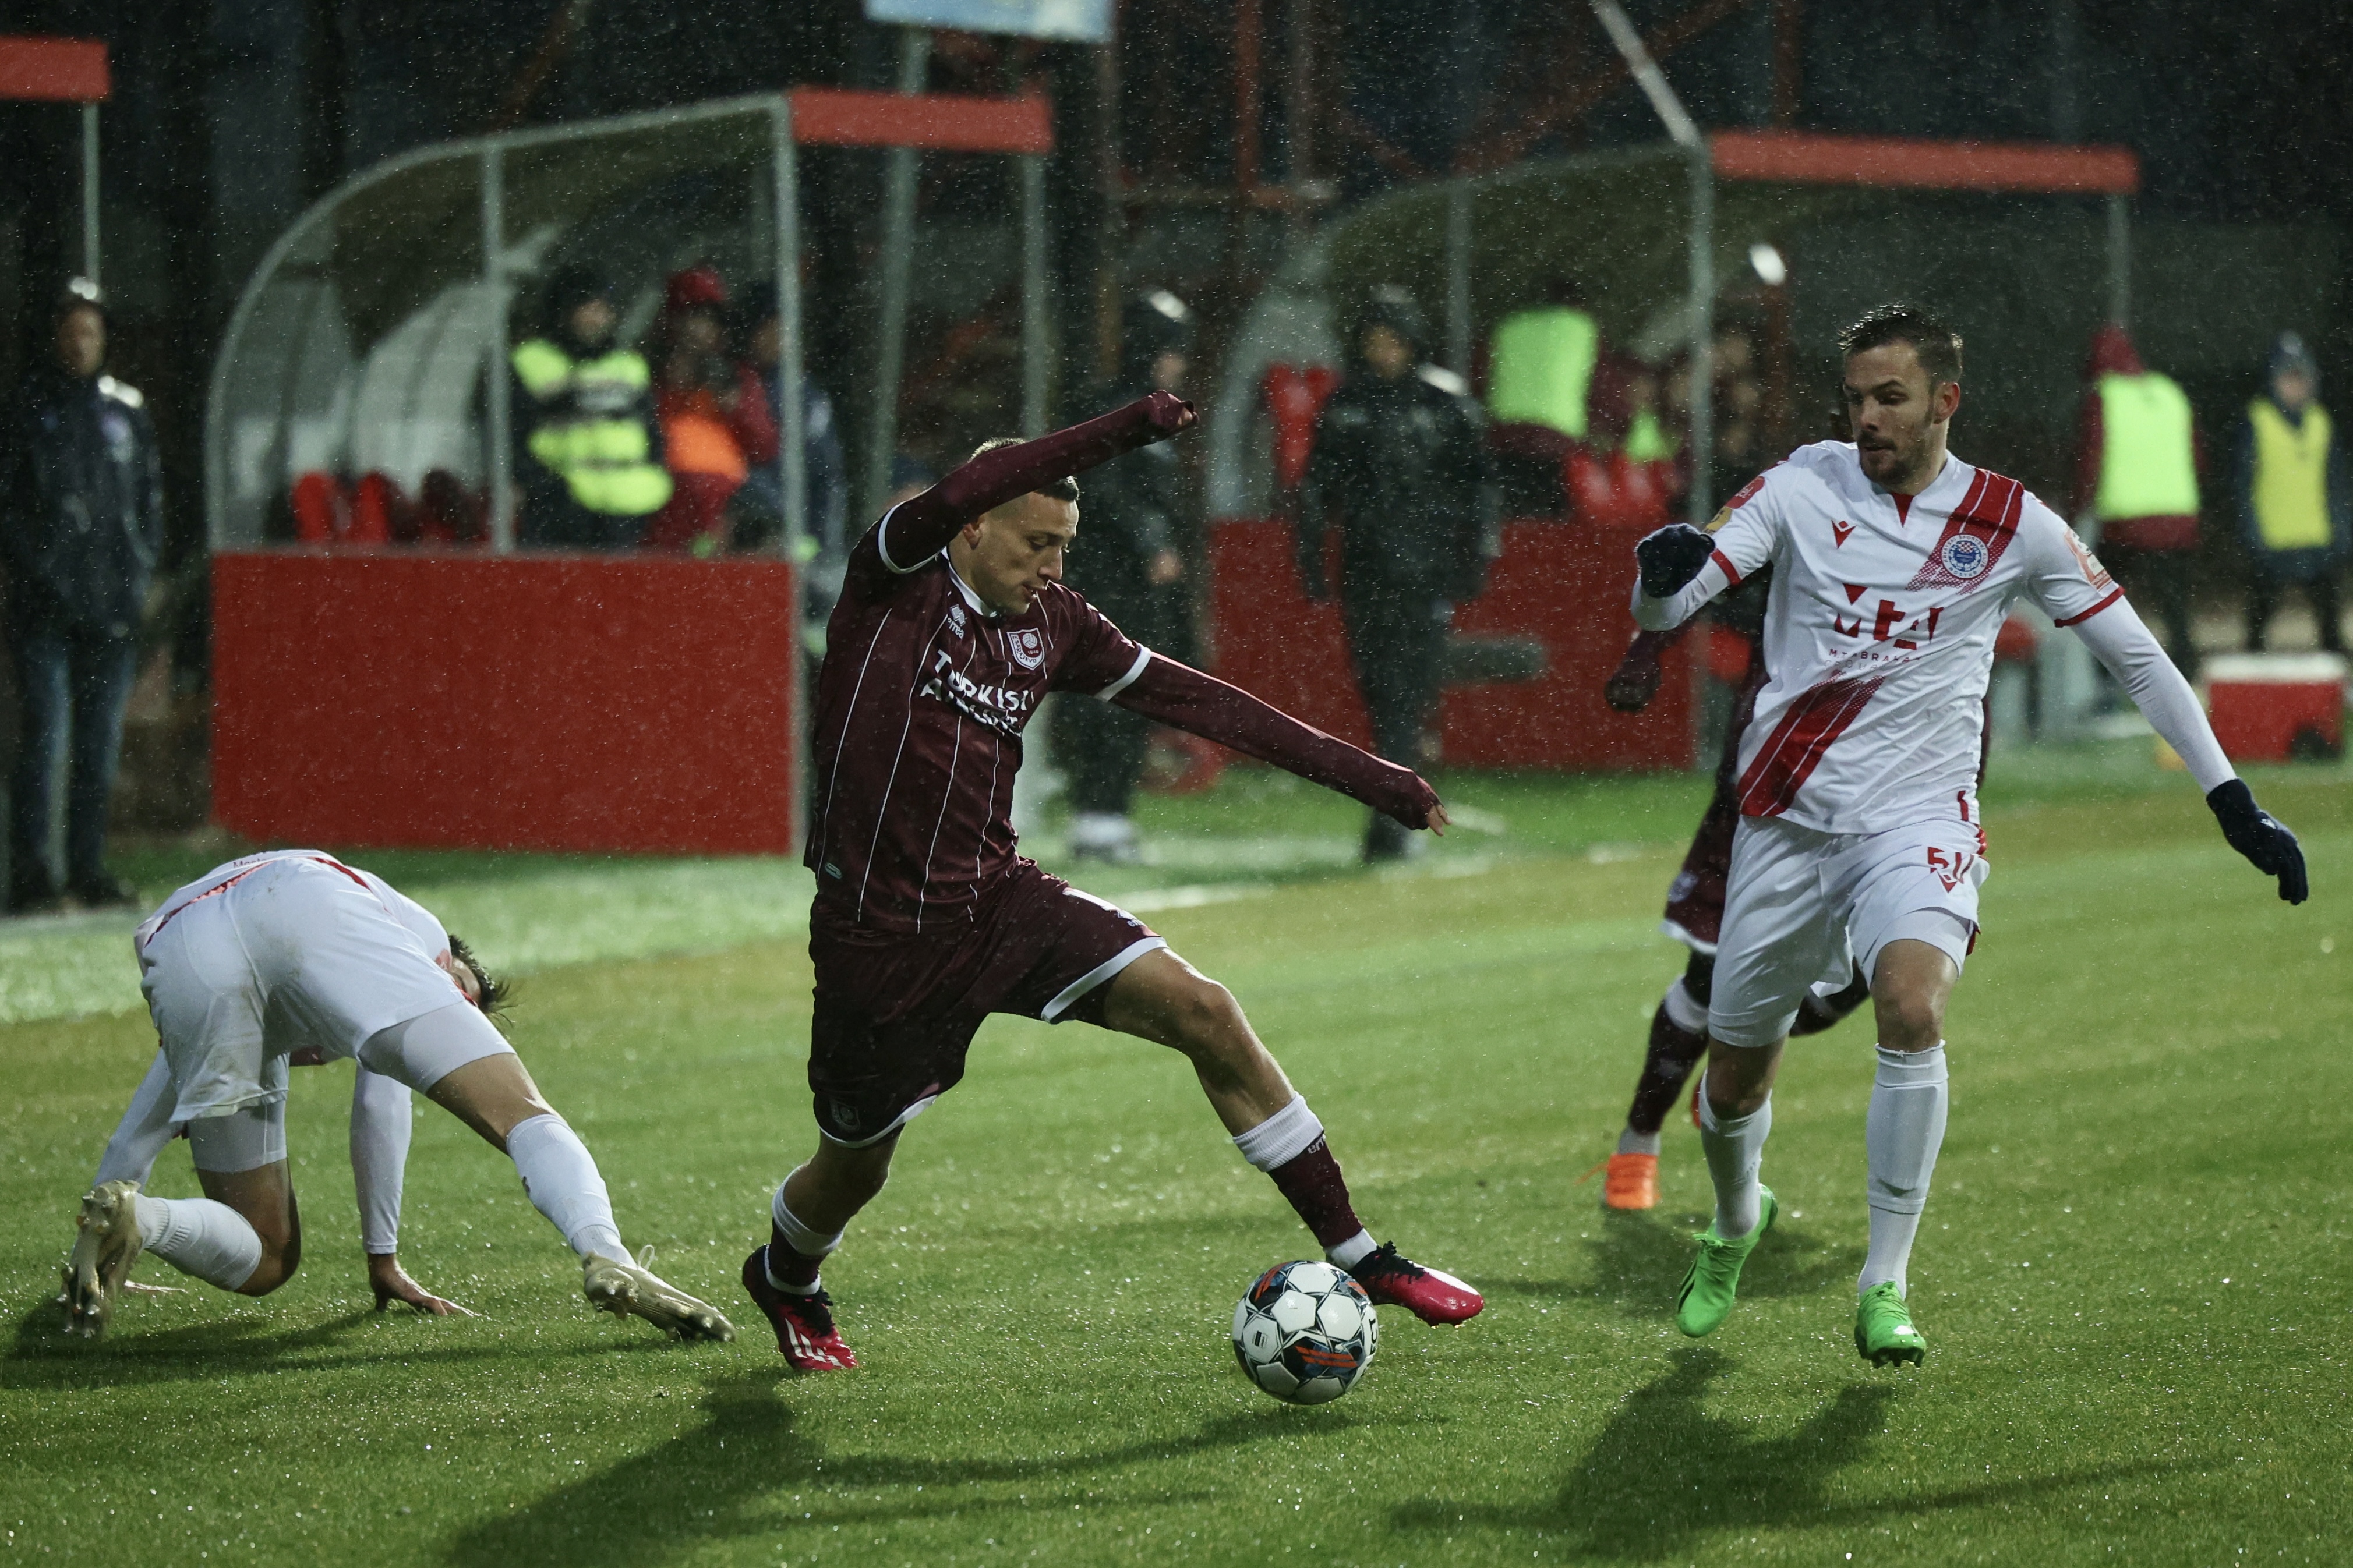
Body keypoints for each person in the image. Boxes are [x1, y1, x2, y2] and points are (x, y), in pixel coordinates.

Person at [740, 394, 1484, 1372]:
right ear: (972, 526)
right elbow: (966, 478)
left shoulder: (1054, 622)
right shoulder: (893, 582)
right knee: (855, 1163)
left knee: (1206, 1011)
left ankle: (1364, 1254)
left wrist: (1372, 775)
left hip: (1001, 903)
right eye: (1034, 540)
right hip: (878, 941)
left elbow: (1201, 699)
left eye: (1066, 545)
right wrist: (1126, 427)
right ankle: (787, 1275)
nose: (1052, 564)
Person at [1628, 302, 2306, 1367]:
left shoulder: (2012, 519)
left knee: (1909, 1005)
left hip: (1919, 816)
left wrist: (2230, 796)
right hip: (1787, 821)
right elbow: (1676, 602)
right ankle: (1733, 1221)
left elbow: (2136, 657)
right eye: (1855, 399)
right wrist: (1656, 577)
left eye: (1889, 398)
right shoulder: (1803, 487)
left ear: (1948, 399)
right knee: (1734, 1081)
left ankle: (1884, 1280)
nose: (1867, 420)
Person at [61, 850, 733, 1343]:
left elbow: (148, 1114)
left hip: (181, 938)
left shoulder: (355, 931)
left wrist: (100, 1222)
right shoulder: (426, 943)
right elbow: (381, 1102)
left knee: (267, 1256)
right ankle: (606, 1252)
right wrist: (381, 1254)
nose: (458, 1004)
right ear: (454, 966)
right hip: (309, 900)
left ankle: (141, 1220)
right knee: (525, 1114)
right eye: (464, 993)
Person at [1596, 581, 1870, 1212]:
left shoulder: (1942, 546)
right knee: (1710, 972)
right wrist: (1646, 652)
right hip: (1764, 791)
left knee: (1875, 977)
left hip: (1882, 805)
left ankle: (1731, 1064)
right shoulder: (1797, 510)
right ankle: (1636, 1143)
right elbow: (1694, 574)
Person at [1298, 286, 1497, 862]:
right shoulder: (1346, 406)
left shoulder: (1445, 405)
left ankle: (1393, 813)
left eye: (1392, 341)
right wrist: (1310, 559)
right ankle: (1399, 804)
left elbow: (1477, 490)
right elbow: (1315, 489)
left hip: (1424, 572)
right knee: (1382, 691)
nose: (1383, 352)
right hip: (1368, 568)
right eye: (1374, 342)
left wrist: (1474, 556)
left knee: (1406, 693)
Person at [86, 1040, 467, 1316]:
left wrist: (170, 1005)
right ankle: (145, 1218)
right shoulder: (417, 958)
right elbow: (378, 1104)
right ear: (445, 961)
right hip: (249, 1020)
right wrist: (384, 1258)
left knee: (140, 1133)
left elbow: (151, 931)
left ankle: (89, 1272)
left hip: (196, 982)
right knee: (271, 1253)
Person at [2, 279, 163, 914]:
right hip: (46, 607)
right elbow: (12, 507)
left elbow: (149, 502)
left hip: (111, 610)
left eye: (90, 329)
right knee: (47, 739)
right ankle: (35, 875)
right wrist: (42, 571)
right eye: (70, 329)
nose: (80, 341)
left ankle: (90, 868)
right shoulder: (27, 410)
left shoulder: (126, 410)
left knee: (98, 747)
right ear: (54, 336)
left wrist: (139, 573)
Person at [1059, 289, 1196, 863]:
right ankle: (1097, 814)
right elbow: (1108, 491)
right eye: (1168, 350)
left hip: (1136, 580)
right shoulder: (1116, 411)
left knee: (1131, 688)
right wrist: (1151, 543)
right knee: (1109, 689)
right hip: (1110, 576)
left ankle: (1107, 810)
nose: (1176, 362)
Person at [2071, 324, 2203, 674]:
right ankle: (2188, 676)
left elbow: (2091, 458)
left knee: (2102, 602)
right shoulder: (2170, 392)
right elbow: (2196, 454)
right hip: (2177, 518)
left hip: (2126, 523)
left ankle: (2105, 678)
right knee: (2175, 608)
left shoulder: (2105, 397)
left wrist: (2076, 507)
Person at [511, 266, 672, 550]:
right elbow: (511, 438)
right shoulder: (530, 361)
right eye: (588, 309)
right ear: (563, 312)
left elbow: (652, 431)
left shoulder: (630, 365)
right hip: (561, 511)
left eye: (603, 310)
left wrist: (654, 469)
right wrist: (547, 490)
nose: (598, 319)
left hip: (631, 506)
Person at [733, 280, 849, 620]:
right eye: (772, 327)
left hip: (798, 548)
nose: (783, 338)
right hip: (748, 542)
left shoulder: (802, 392)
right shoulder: (730, 384)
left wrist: (824, 549)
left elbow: (827, 476)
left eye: (787, 327)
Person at [643, 266, 778, 556]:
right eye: (692, 318)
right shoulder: (648, 376)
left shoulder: (737, 377)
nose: (700, 331)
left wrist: (735, 405)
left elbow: (764, 447)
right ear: (672, 324)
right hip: (666, 497)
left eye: (710, 321)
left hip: (724, 502)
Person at [2237, 332, 2348, 653]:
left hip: (2317, 538)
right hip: (2272, 539)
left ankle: (2339, 689)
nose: (2295, 387)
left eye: (2302, 379)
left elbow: (2336, 483)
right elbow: (2242, 485)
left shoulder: (2321, 422)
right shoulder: (2257, 422)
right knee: (2258, 625)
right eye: (2288, 378)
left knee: (2331, 628)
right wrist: (2251, 533)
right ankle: (2252, 685)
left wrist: (2341, 531)